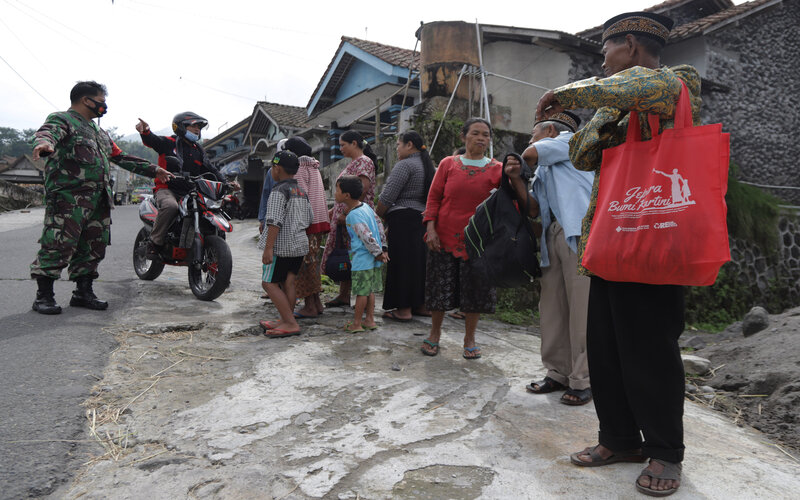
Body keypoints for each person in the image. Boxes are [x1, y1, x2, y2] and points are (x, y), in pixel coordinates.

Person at [536, 11, 700, 497]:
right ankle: (620, 439)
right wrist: (610, 116)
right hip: (608, 242)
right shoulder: (617, 103)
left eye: (606, 49)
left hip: (655, 243)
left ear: (629, 44)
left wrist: (570, 96)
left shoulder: (677, 82)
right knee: (606, 349)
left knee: (651, 350)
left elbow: (646, 89)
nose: (602, 59)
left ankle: (665, 451)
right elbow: (585, 151)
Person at [30, 81, 172, 314]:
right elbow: (48, 132)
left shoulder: (100, 133)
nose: (104, 106)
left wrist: (154, 169)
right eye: (101, 102)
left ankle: (83, 292)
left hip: (98, 200)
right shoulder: (62, 120)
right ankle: (44, 295)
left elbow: (120, 156)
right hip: (68, 200)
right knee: (58, 244)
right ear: (87, 100)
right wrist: (44, 143)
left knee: (93, 246)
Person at [508, 112, 595, 406]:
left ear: (547, 130)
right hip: (553, 235)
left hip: (578, 233)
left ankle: (583, 379)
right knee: (554, 308)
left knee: (581, 311)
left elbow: (528, 154)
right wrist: (515, 179)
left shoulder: (570, 141)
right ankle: (558, 372)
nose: (529, 140)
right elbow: (533, 209)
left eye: (532, 134)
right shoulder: (547, 167)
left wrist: (518, 163)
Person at [421, 118, 502, 359]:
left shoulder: (497, 169)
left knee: (474, 292)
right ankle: (434, 334)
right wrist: (431, 229)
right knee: (439, 290)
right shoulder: (448, 164)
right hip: (443, 237)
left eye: (485, 135)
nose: (480, 138)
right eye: (475, 133)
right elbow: (433, 198)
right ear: (463, 136)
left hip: (478, 242)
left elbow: (504, 206)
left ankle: (470, 338)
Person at [136, 112, 236, 258]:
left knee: (210, 208)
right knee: (171, 206)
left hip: (190, 191)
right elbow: (153, 141)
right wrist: (145, 131)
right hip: (167, 189)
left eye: (199, 127)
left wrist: (226, 183)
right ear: (181, 127)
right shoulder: (169, 142)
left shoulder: (198, 150)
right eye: (193, 126)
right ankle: (154, 242)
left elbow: (210, 169)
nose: (197, 129)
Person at [376, 131, 434, 322]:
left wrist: (379, 217)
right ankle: (422, 305)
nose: (397, 149)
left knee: (401, 264)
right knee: (419, 263)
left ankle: (403, 310)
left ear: (409, 145)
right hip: (423, 220)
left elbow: (387, 197)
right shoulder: (428, 166)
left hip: (403, 219)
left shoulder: (405, 164)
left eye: (398, 145)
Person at [258, 151, 313, 338]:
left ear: (277, 168)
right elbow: (310, 218)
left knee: (269, 284)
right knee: (288, 281)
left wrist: (268, 248)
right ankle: (286, 319)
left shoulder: (278, 191)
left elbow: (273, 221)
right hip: (299, 245)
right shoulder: (302, 192)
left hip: (281, 247)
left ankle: (289, 322)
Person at [321, 130, 377, 308]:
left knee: (358, 257)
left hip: (354, 218)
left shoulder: (364, 163)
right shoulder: (355, 163)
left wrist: (345, 214)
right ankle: (344, 295)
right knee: (346, 256)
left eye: (343, 145)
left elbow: (360, 191)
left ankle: (364, 301)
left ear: (354, 143)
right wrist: (333, 211)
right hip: (346, 216)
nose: (340, 148)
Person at [281, 137, 331, 318]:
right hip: (318, 222)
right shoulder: (313, 167)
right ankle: (316, 303)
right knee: (312, 262)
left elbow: (299, 198)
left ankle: (310, 305)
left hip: (307, 224)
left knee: (304, 266)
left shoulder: (300, 168)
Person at [336, 175, 388, 332]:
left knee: (360, 293)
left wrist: (378, 252)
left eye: (337, 189)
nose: (335, 193)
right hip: (373, 259)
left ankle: (357, 323)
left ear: (346, 195)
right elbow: (379, 226)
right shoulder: (366, 207)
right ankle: (369, 320)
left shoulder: (353, 215)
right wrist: (383, 248)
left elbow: (366, 236)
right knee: (369, 290)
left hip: (362, 259)